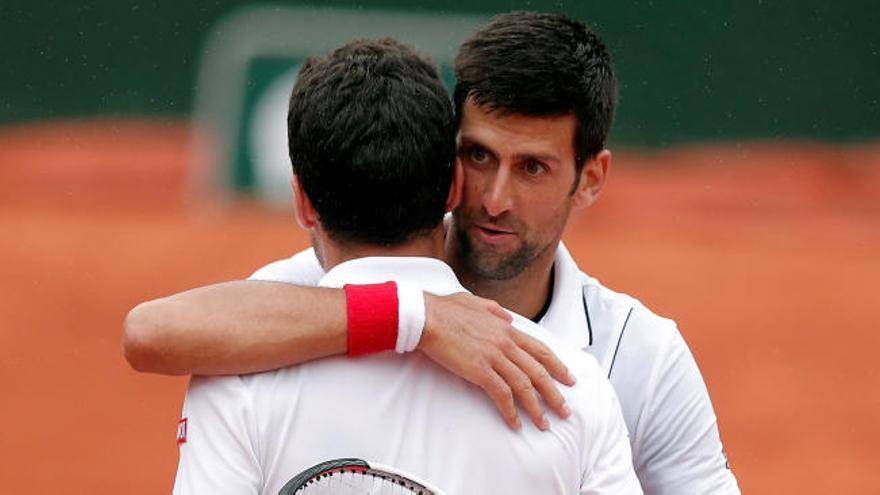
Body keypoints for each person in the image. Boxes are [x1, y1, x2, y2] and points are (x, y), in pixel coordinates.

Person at [127, 12, 740, 494]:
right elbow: (154, 332)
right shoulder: (309, 289)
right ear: (449, 164)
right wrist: (413, 318)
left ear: (591, 178)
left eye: (532, 168)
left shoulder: (641, 358)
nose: (496, 199)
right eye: (479, 156)